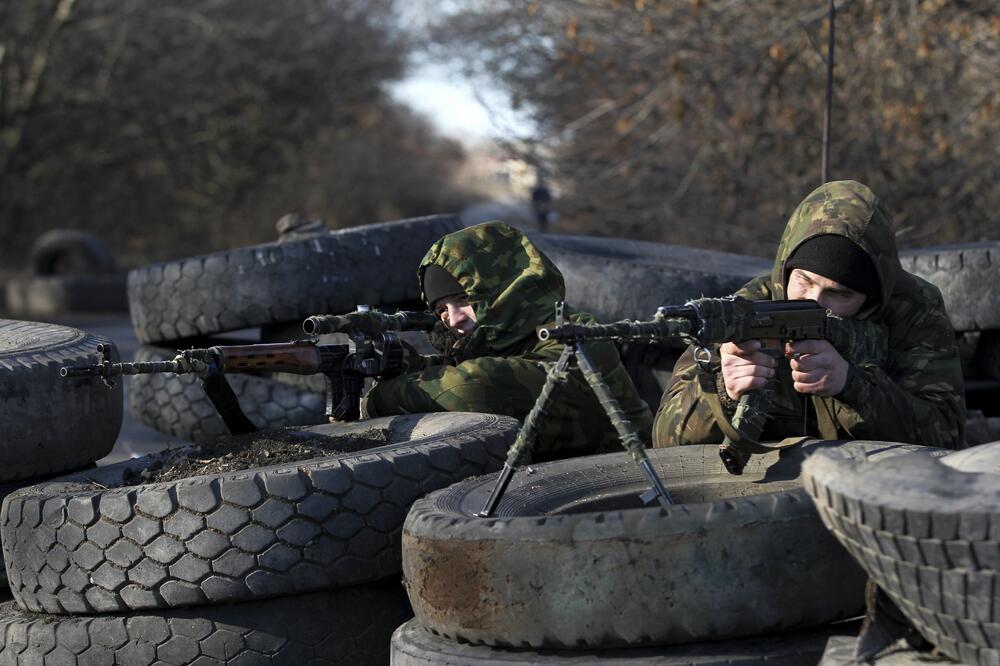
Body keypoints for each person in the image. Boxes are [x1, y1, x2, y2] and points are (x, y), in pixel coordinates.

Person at [653, 180, 965, 449]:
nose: (814, 302)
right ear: (787, 270)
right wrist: (723, 393)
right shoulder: (748, 309)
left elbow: (945, 440)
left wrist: (852, 385)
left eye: (839, 294)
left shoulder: (914, 310)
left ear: (871, 301)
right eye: (804, 281)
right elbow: (664, 441)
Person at [362, 221, 653, 461]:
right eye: (441, 310)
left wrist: (379, 399)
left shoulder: (577, 335)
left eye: (464, 299)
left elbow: (477, 387)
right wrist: (407, 368)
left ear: (504, 289)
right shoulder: (487, 346)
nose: (453, 319)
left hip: (632, 482)